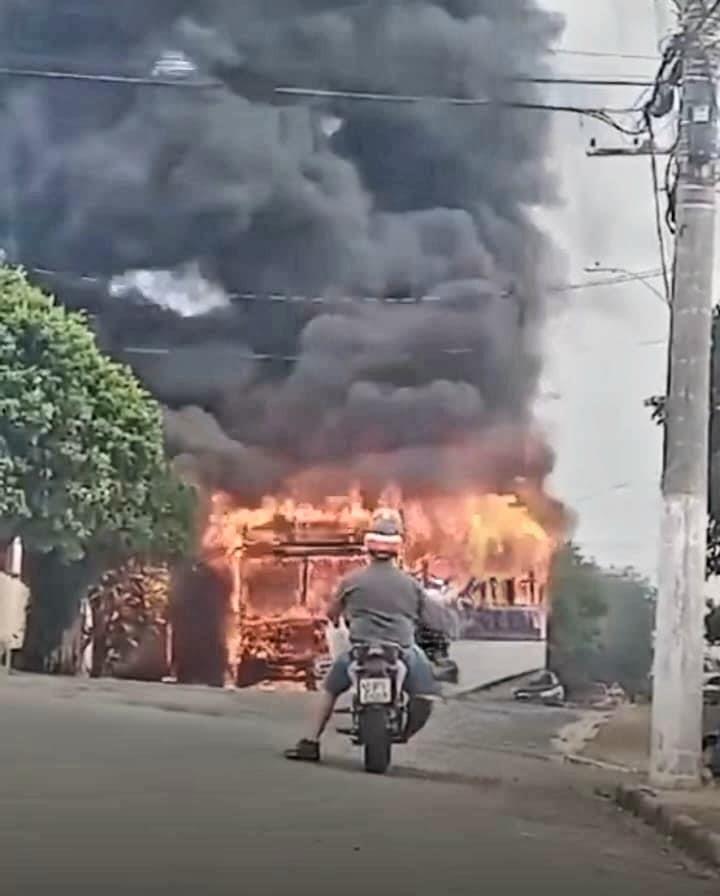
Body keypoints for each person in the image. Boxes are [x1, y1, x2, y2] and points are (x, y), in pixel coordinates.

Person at [284, 510, 451, 762]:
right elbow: (433, 620)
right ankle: (404, 731)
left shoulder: (351, 581)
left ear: (368, 547)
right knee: (425, 693)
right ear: (398, 548)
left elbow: (331, 614)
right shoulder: (410, 585)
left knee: (330, 689)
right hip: (403, 651)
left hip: (359, 652)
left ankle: (310, 742)